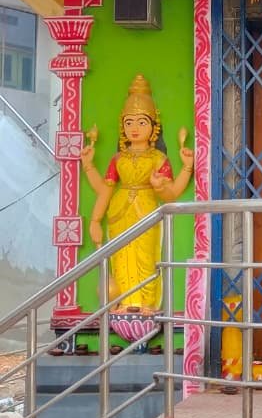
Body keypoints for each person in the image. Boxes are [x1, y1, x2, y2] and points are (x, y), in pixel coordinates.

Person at [80, 74, 193, 312]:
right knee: (120, 258)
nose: (134, 128)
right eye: (129, 122)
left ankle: (146, 304)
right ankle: (124, 303)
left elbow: (172, 195)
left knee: (146, 257)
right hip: (118, 214)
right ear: (122, 125)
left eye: (142, 123)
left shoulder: (158, 159)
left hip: (147, 212)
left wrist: (185, 168)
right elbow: (105, 190)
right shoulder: (118, 159)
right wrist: (95, 220)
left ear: (154, 127)